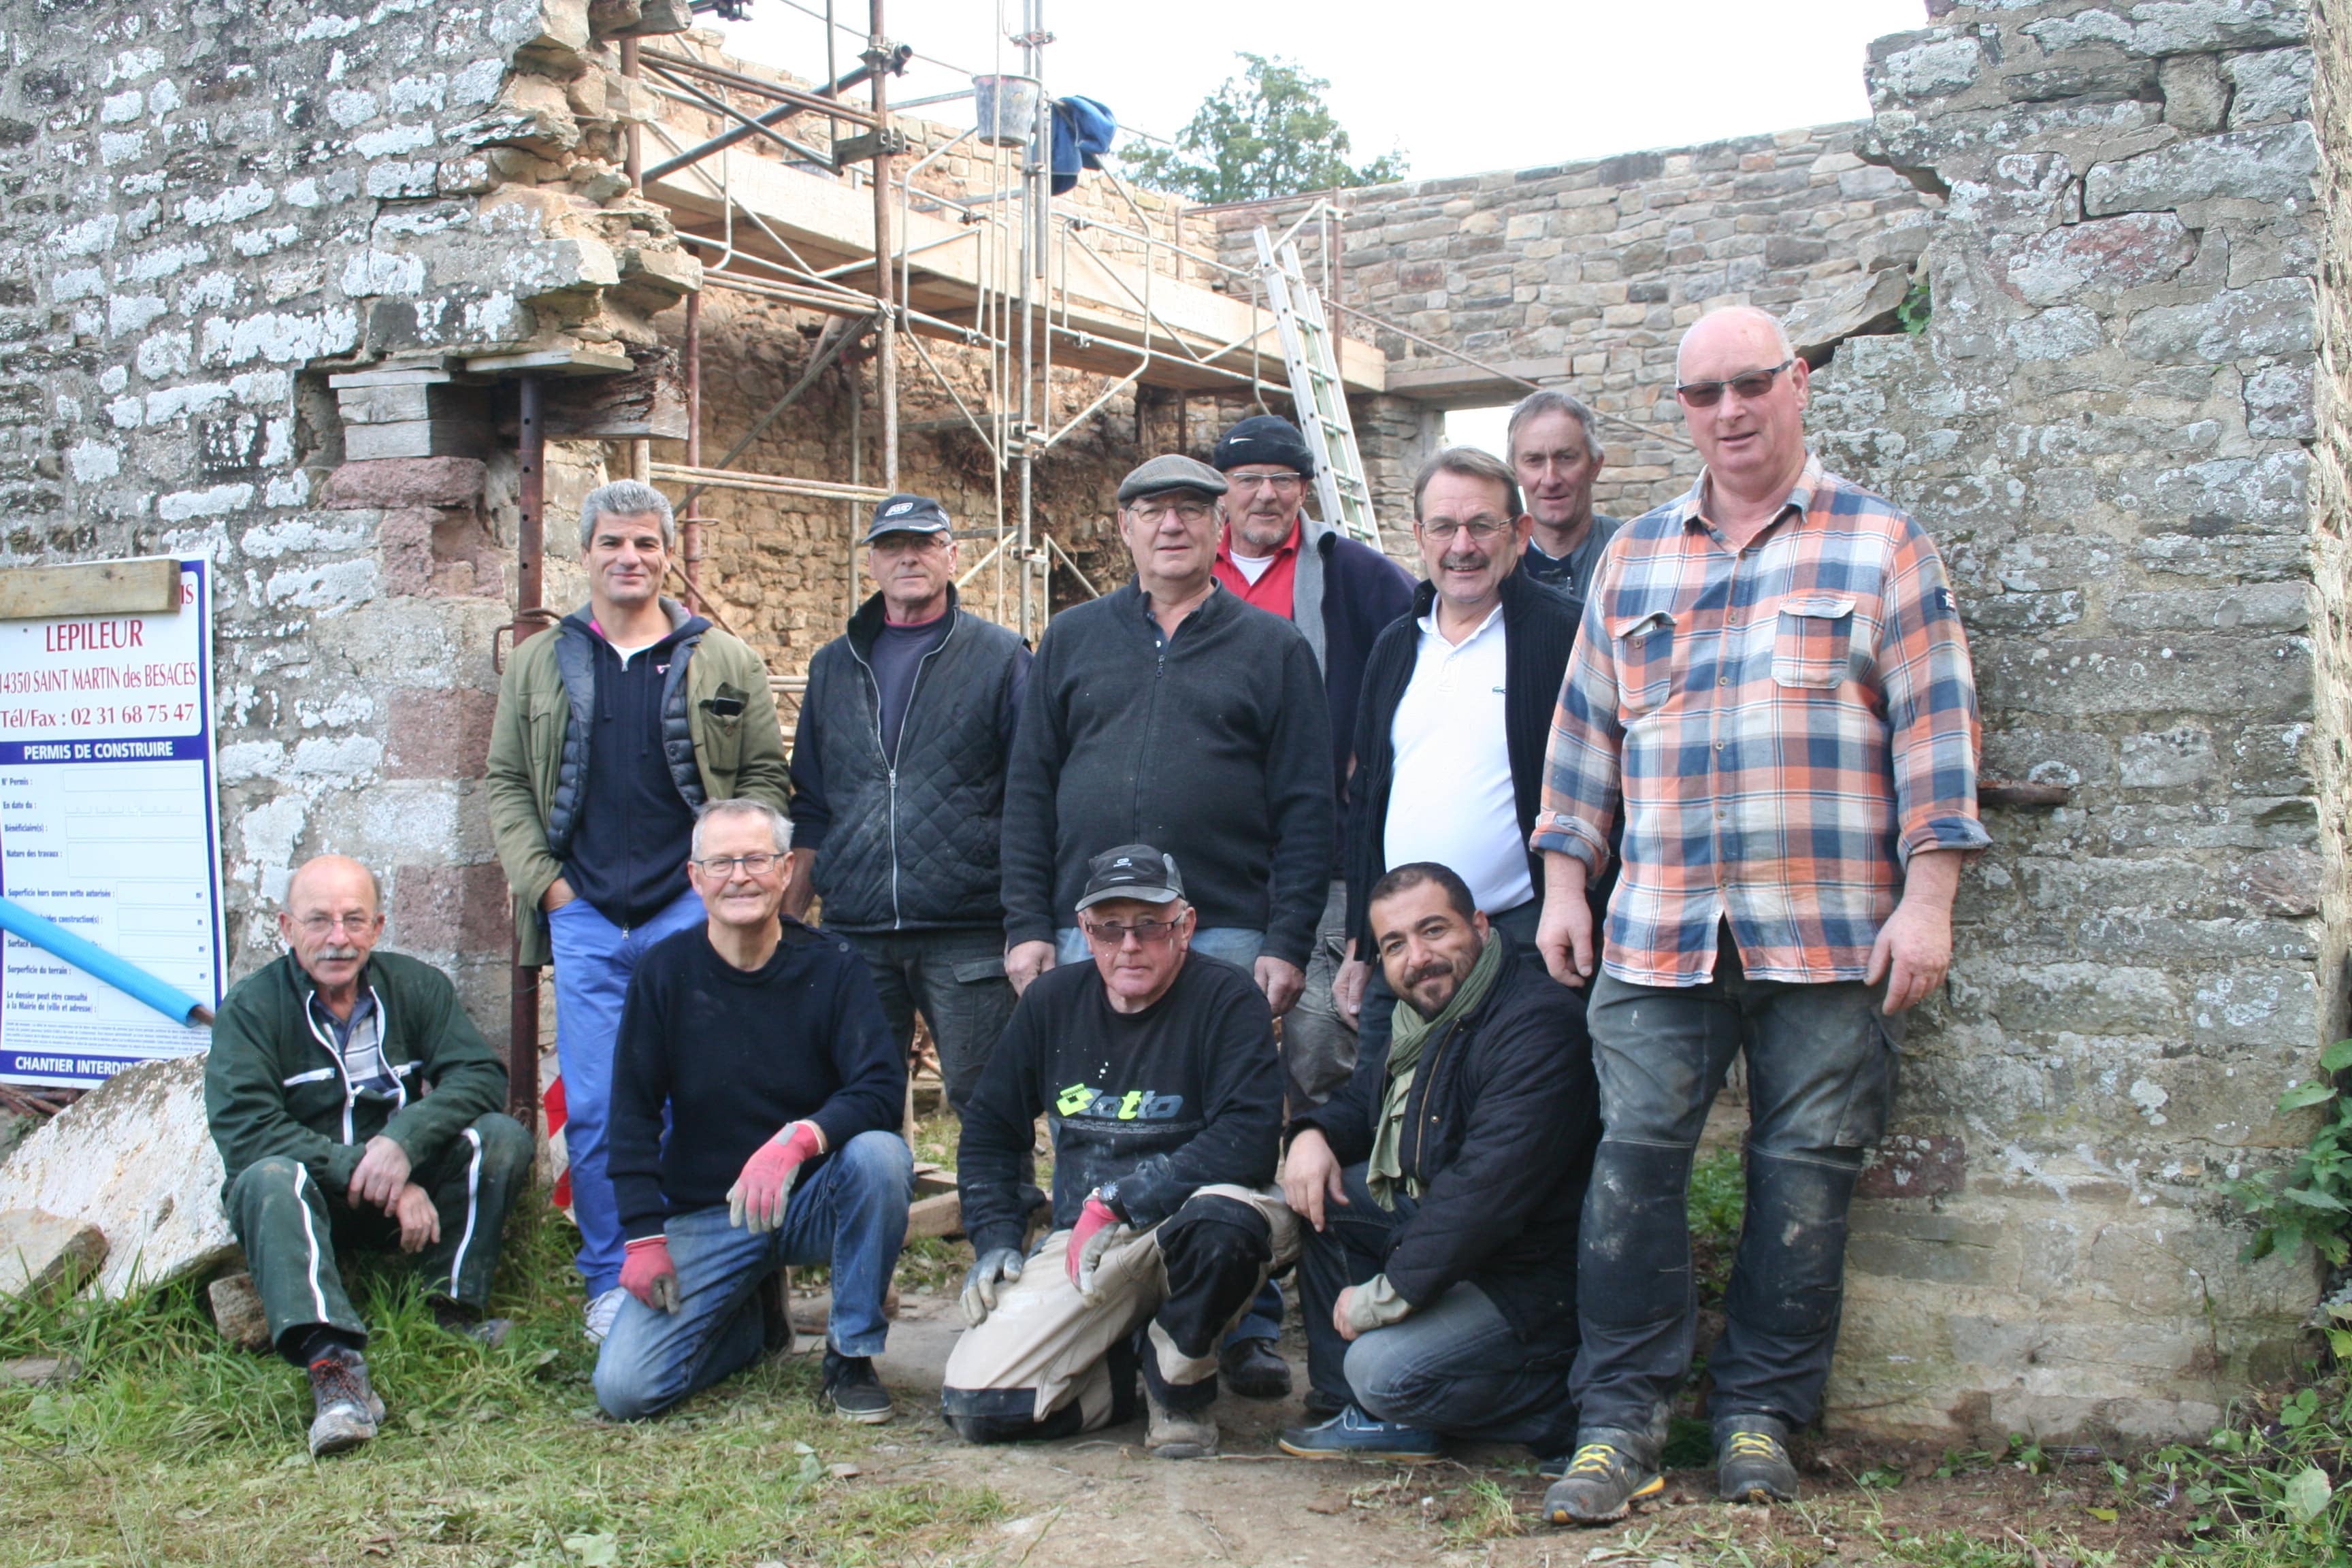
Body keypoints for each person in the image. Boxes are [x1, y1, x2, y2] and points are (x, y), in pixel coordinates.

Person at [1533, 306, 1987, 1523]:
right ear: (1679, 409)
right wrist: (1567, 880)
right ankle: (1617, 1420)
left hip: (1830, 925)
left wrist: (1929, 900)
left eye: (1750, 384)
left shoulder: (1882, 544)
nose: (1728, 411)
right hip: (1659, 923)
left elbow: (1937, 737)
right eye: (1701, 393)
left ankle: (1758, 1417)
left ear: (1794, 385)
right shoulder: (1631, 558)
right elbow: (1585, 737)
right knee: (1630, 1169)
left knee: (1802, 1176)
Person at [485, 479, 790, 1344]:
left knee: (704, 1100)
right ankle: (610, 1283)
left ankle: (716, 1273)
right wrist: (548, 885)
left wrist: (729, 881)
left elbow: (766, 779)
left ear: (666, 556)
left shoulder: (720, 658)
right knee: (595, 1106)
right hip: (584, 918)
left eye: (648, 544)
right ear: (585, 555)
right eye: (614, 543)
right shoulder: (542, 661)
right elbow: (506, 780)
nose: (631, 559)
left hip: (687, 918)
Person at [945, 845, 1296, 1459]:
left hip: (1191, 1223)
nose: (1129, 945)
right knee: (982, 1406)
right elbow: (990, 1131)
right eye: (1110, 927)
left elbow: (1248, 1141)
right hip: (1089, 1243)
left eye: (1149, 926)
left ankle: (1181, 1392)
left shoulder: (1228, 998)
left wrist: (1123, 1198)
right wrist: (997, 1236)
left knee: (1225, 1227)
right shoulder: (1052, 1003)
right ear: (1086, 931)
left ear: (1184, 927)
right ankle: (1130, 1373)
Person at [1207, 413, 1414, 1399]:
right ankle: (1242, 1312)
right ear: (1221, 493)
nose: (1263, 496)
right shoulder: (1183, 577)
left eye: (1281, 479)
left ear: (1304, 489)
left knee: (1325, 1052)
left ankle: (1339, 1274)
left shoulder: (1357, 577)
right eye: (1245, 480)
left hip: (1323, 863)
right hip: (1213, 871)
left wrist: (1361, 768)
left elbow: (1409, 673)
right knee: (1229, 1079)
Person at [592, 798, 912, 1424]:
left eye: (756, 859)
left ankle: (849, 1356)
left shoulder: (835, 966)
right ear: (695, 877)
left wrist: (798, 1140)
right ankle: (752, 1327)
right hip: (711, 1211)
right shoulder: (664, 973)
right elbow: (631, 1112)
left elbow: (879, 1086)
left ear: (788, 869)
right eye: (721, 862)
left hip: (810, 1199)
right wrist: (643, 1238)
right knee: (626, 1391)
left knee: (881, 1156)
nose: (739, 876)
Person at [204, 855, 530, 1458]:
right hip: (310, 1196)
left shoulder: (416, 986)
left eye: (355, 921)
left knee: (500, 1137)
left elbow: (479, 1076)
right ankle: (333, 1365)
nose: (338, 939)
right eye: (319, 921)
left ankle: (450, 1310)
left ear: (378, 927)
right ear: (285, 927)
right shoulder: (250, 1010)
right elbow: (245, 1130)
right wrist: (367, 1169)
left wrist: (402, 1145)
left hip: (404, 1183)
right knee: (268, 1176)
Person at [1276, 862, 1598, 1460]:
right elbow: (1360, 1104)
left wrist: (1388, 1294)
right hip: (1468, 1248)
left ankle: (1561, 1401)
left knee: (1382, 1370)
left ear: (1478, 924)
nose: (1417, 957)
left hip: (1536, 1282)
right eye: (1395, 945)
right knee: (1324, 1197)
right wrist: (1310, 1135)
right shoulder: (1422, 1020)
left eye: (1434, 931)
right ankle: (1355, 1406)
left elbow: (1482, 1195)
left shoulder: (1535, 1026)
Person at [1000, 454, 1334, 1015]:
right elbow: (1030, 792)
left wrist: (1288, 940)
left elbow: (1307, 809)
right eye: (1152, 511)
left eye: (1191, 510)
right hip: (1087, 930)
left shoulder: (1275, 648)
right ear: (1126, 527)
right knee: (1086, 1100)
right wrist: (1027, 923)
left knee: (1221, 1100)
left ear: (1220, 524)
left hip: (1225, 933)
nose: (1172, 525)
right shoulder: (1071, 637)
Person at [1334, 445, 1584, 1079]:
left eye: (1483, 525)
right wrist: (1361, 945)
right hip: (1403, 946)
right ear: (1419, 537)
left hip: (1521, 940)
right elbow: (1368, 799)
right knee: (1381, 1114)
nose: (1462, 546)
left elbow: (1601, 785)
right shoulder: (1396, 646)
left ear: (1520, 534)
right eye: (1443, 527)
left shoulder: (1566, 636)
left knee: (1519, 1120)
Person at [785, 493, 1031, 1122]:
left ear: (952, 555)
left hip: (968, 930)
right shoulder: (833, 667)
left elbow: (1033, 795)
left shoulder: (1001, 659)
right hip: (856, 930)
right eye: (893, 546)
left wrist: (1029, 920)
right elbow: (812, 802)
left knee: (988, 1104)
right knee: (855, 1098)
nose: (909, 558)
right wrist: (788, 922)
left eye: (924, 544)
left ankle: (1001, 1221)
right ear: (873, 563)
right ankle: (870, 1220)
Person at [1509, 388, 1621, 601]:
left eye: (1566, 458)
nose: (1551, 479)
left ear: (1595, 465)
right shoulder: (1493, 567)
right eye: (1534, 460)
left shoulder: (1633, 552)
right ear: (1514, 472)